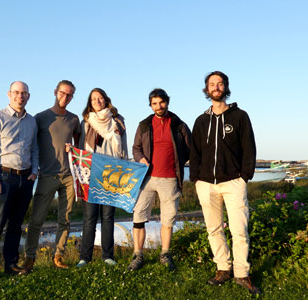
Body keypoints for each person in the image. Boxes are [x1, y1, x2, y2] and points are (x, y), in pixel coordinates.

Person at [189, 71, 260, 295]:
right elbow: (195, 152)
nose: (216, 87)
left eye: (220, 84)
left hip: (233, 182)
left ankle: (241, 273)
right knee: (214, 229)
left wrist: (244, 176)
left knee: (239, 230)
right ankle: (222, 269)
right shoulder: (201, 121)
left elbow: (249, 148)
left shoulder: (240, 116)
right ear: (207, 89)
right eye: (212, 84)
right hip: (206, 184)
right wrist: (196, 178)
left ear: (226, 87)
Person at [0, 81, 38, 281]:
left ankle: (11, 264)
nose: (19, 96)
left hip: (25, 178)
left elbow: (34, 149)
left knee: (16, 225)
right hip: (4, 177)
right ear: (9, 94)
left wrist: (35, 171)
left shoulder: (31, 121)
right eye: (16, 92)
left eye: (23, 93)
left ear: (28, 96)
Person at [128, 88, 191, 271]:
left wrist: (178, 162)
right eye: (154, 103)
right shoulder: (144, 125)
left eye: (161, 102)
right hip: (146, 179)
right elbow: (136, 147)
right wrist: (140, 158)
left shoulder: (179, 125)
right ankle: (138, 255)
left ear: (167, 102)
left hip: (170, 178)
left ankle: (165, 253)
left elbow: (189, 149)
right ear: (150, 105)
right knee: (138, 217)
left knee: (167, 219)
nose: (158, 106)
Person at [23, 80, 81, 271]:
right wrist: (33, 170)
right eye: (63, 93)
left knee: (65, 218)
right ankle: (29, 257)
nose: (66, 97)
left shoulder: (74, 120)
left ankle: (58, 256)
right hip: (47, 175)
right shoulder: (40, 117)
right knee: (36, 220)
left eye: (70, 95)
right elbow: (31, 146)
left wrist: (73, 149)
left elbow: (80, 149)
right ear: (56, 92)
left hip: (68, 177)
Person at [76, 88, 128, 267]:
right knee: (89, 217)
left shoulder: (118, 121)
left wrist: (124, 170)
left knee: (108, 217)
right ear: (90, 103)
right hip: (90, 174)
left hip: (112, 174)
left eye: (100, 98)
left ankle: (108, 256)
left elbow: (124, 149)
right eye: (93, 99)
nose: (97, 101)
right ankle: (85, 257)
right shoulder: (86, 122)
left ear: (106, 100)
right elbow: (81, 148)